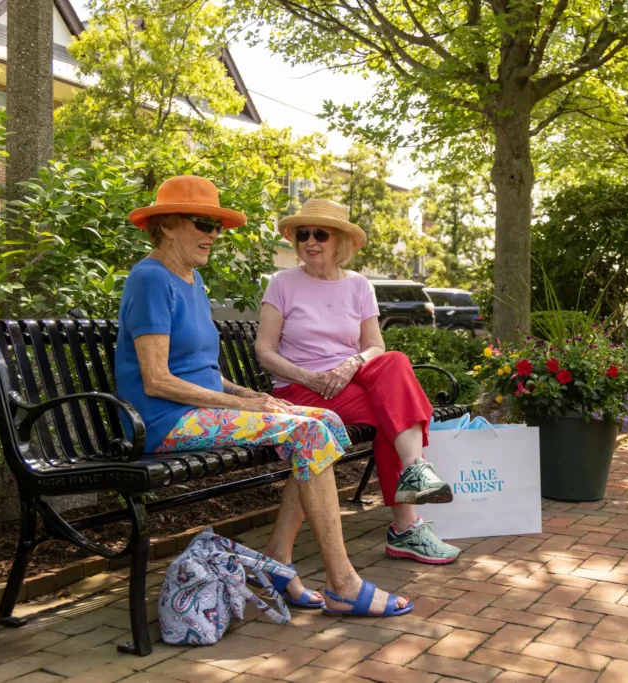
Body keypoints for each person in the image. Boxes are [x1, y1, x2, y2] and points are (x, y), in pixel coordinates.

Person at [115, 176, 411, 617]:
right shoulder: (151, 279)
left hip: (199, 409)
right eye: (203, 223)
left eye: (218, 227)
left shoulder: (190, 279)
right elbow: (158, 380)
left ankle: (277, 558)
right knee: (310, 434)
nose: (214, 235)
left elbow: (203, 373)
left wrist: (251, 394)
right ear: (168, 224)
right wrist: (242, 405)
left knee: (322, 423)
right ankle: (343, 583)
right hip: (165, 420)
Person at [256, 198, 461, 568]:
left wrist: (351, 364)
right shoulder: (281, 283)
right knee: (393, 416)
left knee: (395, 361)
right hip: (300, 386)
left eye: (321, 234)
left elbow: (374, 347)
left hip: (350, 378)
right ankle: (406, 529)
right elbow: (264, 350)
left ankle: (414, 470)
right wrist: (308, 376)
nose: (310, 241)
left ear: (341, 243)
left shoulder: (358, 285)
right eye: (303, 234)